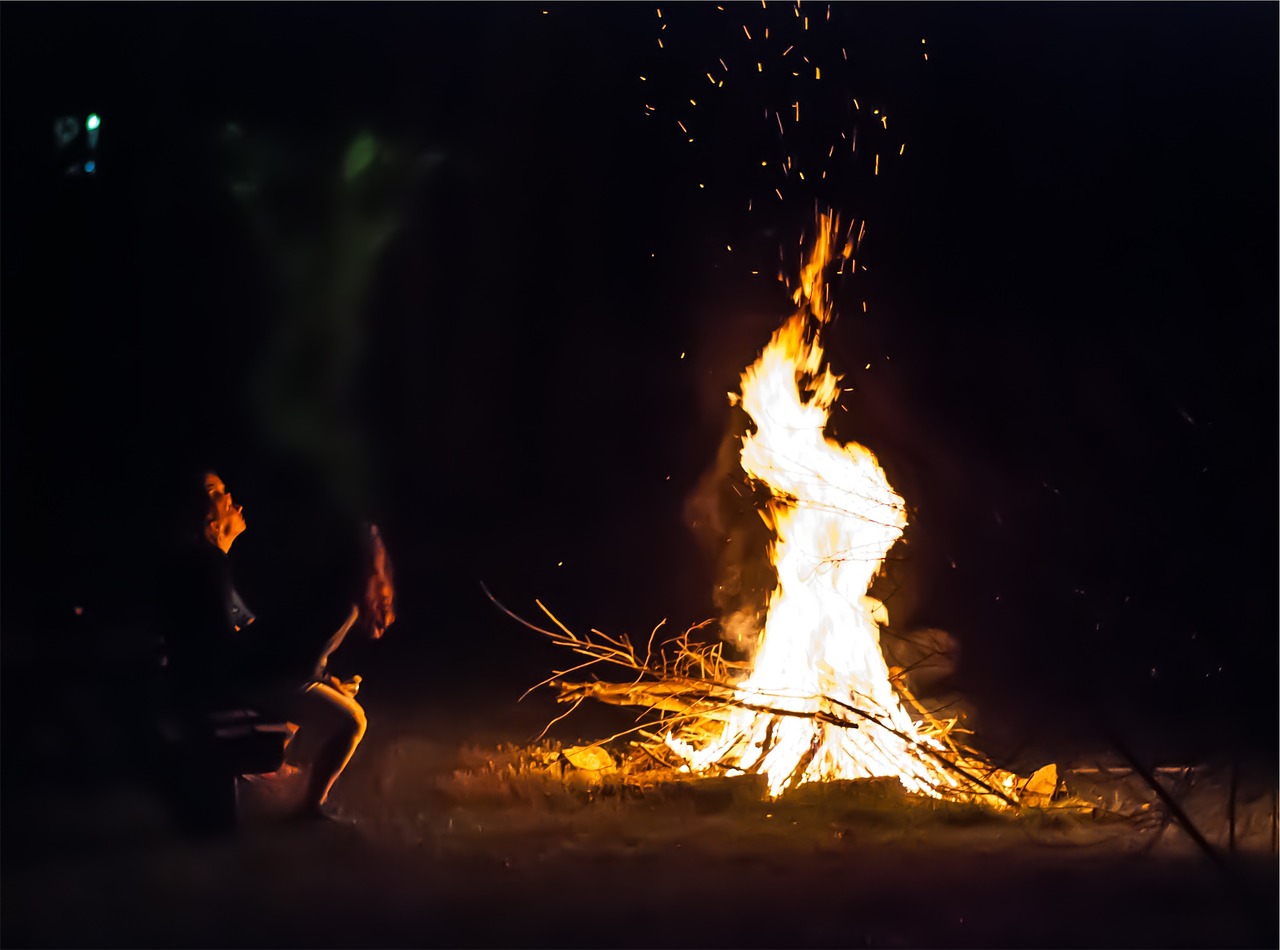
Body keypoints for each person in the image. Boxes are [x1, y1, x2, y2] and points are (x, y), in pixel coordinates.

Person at [160, 469, 387, 821]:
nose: (233, 500)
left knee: (323, 700)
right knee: (349, 719)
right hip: (217, 686)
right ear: (205, 513)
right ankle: (303, 805)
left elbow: (249, 629)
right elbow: (225, 645)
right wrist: (302, 677)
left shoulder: (210, 564)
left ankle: (285, 786)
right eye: (217, 492)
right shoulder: (203, 565)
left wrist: (314, 677)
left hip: (227, 677)